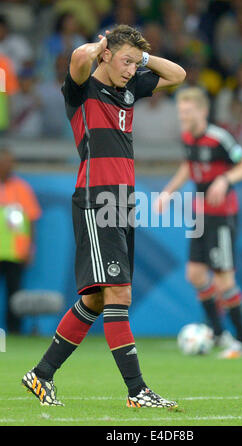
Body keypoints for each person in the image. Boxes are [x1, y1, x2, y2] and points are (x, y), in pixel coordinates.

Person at [22, 24, 185, 407]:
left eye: (136, 63)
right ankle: (137, 391)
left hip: (122, 201)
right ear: (106, 55)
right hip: (97, 198)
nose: (132, 70)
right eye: (125, 61)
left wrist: (140, 57)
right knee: (119, 293)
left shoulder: (129, 88)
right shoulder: (81, 90)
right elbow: (79, 59)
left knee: (97, 300)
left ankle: (40, 374)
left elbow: (177, 75)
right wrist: (101, 44)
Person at [155, 87, 242, 359]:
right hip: (200, 214)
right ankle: (219, 333)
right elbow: (189, 166)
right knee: (196, 275)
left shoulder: (219, 138)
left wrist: (225, 180)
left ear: (202, 111)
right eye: (180, 112)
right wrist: (168, 192)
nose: (182, 117)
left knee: (224, 280)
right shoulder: (188, 137)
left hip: (222, 214)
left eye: (187, 112)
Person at [0, 147, 41, 333]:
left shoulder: (22, 188)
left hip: (16, 252)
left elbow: (32, 220)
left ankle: (14, 331)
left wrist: (30, 248)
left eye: (8, 162)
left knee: (14, 296)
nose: (5, 165)